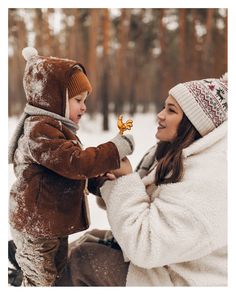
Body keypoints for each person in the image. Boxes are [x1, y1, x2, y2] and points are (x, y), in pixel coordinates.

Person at [69, 73, 227, 286]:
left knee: (84, 259)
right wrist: (112, 181)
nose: (160, 116)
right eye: (164, 107)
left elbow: (147, 245)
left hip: (181, 280)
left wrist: (125, 179)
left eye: (171, 110)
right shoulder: (175, 154)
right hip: (168, 263)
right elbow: (146, 203)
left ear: (194, 123)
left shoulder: (210, 180)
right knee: (89, 239)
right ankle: (32, 265)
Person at [8, 47, 134, 286]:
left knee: (56, 274)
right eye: (78, 100)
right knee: (41, 282)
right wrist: (115, 150)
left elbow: (68, 171)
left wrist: (97, 180)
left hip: (52, 224)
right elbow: (75, 163)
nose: (84, 107)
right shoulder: (40, 131)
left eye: (84, 101)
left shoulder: (58, 130)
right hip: (36, 227)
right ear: (53, 99)